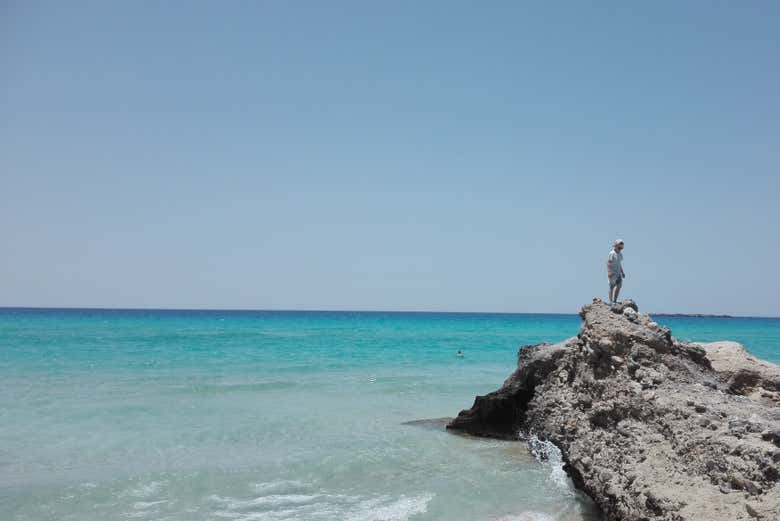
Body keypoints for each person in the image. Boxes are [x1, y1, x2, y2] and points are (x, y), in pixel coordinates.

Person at [607, 239, 626, 304]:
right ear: (615, 246)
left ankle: (615, 300)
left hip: (618, 273)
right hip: (613, 273)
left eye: (621, 248)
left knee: (619, 286)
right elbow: (609, 263)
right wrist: (609, 272)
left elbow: (619, 264)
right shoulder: (612, 253)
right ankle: (611, 301)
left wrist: (622, 272)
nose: (620, 249)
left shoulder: (620, 254)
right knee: (611, 287)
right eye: (619, 247)